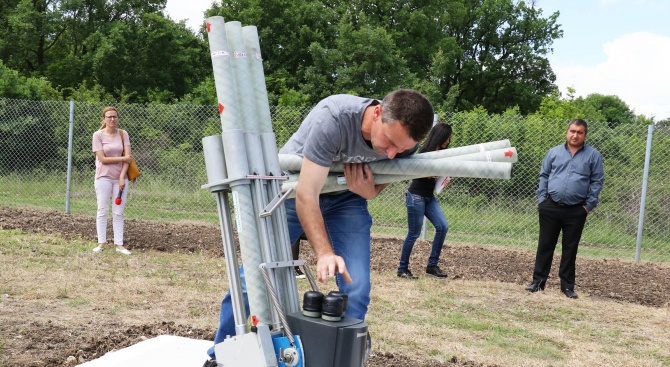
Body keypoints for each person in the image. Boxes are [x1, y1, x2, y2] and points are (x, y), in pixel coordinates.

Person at [205, 89, 434, 363]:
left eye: (402, 148)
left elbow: (396, 170)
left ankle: (340, 360)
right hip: (292, 190)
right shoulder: (334, 118)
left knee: (357, 287)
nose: (393, 152)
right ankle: (218, 356)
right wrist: (324, 253)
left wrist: (371, 191)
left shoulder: (405, 138)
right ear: (376, 114)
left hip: (346, 199)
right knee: (249, 281)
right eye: (389, 142)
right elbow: (306, 195)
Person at [526, 118, 604, 299]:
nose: (575, 135)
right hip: (550, 207)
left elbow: (597, 181)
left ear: (585, 135)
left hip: (576, 211)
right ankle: (538, 282)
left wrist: (588, 206)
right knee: (545, 245)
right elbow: (544, 175)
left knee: (570, 248)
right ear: (567, 132)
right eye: (573, 131)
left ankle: (567, 286)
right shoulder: (554, 152)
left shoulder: (593, 156)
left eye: (579, 132)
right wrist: (542, 200)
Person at [397, 123, 453, 280]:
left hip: (429, 197)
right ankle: (402, 269)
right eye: (447, 138)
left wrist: (444, 181)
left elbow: (434, 181)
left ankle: (432, 266)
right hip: (416, 196)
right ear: (440, 136)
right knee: (414, 233)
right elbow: (423, 174)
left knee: (442, 226)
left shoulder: (442, 154)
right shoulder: (424, 152)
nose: (448, 141)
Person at [91, 107, 134, 255]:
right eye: (109, 117)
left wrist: (122, 177)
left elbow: (129, 158)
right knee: (102, 210)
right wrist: (122, 159)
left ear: (118, 118)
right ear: (104, 119)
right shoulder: (97, 135)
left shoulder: (123, 134)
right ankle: (101, 243)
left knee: (118, 212)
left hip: (120, 179)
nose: (112, 119)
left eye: (115, 117)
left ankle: (119, 244)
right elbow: (102, 159)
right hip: (103, 178)